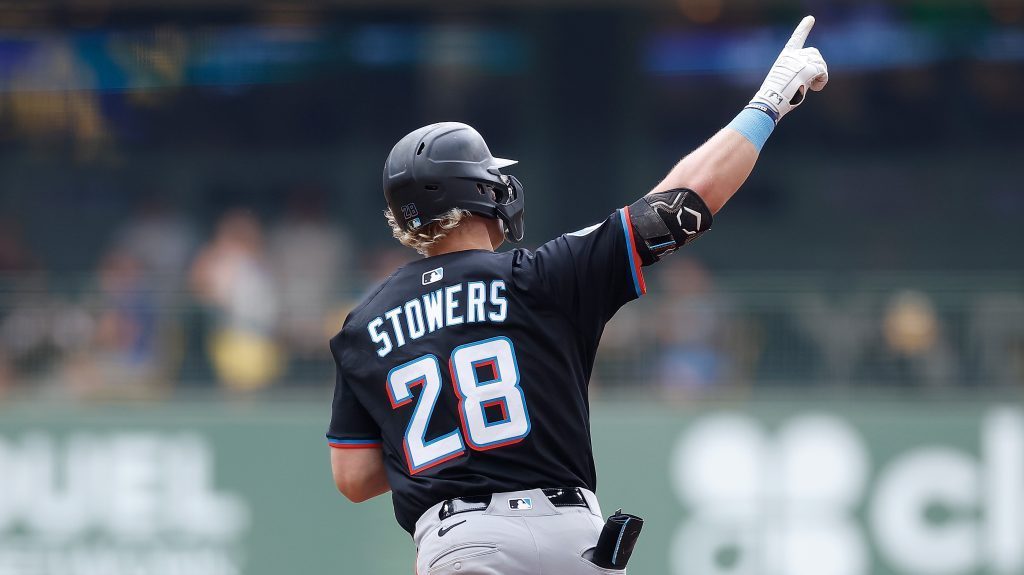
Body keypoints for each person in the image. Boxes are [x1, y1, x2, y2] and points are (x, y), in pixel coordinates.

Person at [326, 16, 828, 574]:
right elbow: (681, 202)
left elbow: (353, 478)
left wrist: (451, 443)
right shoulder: (540, 275)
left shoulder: (364, 324)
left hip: (461, 542)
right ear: (481, 192)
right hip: (572, 540)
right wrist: (767, 105)